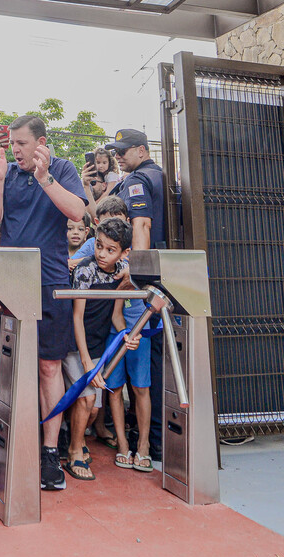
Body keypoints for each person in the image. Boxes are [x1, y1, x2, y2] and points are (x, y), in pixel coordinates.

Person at [0, 115, 86, 491]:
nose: (15, 150)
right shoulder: (5, 172)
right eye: (12, 143)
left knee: (48, 367)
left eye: (22, 143)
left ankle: (49, 451)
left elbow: (78, 212)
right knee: (9, 367)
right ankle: (7, 444)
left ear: (41, 143)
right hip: (8, 283)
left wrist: (45, 180)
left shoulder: (62, 169)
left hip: (49, 281)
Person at [106, 128, 165, 463]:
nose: (118, 156)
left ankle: (149, 443)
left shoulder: (138, 180)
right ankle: (148, 443)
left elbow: (141, 225)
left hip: (143, 288)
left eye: (123, 151)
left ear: (141, 150)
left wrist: (134, 269)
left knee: (144, 375)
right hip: (159, 280)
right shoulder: (161, 177)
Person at [64, 217, 138, 480]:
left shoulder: (121, 272)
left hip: (97, 345)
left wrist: (125, 335)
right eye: (99, 246)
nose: (102, 254)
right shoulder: (85, 270)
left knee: (93, 407)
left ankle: (74, 440)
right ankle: (74, 450)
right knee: (87, 399)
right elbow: (76, 317)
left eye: (110, 250)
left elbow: (117, 315)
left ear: (124, 252)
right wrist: (85, 361)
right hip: (75, 345)